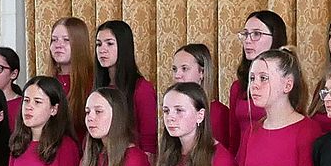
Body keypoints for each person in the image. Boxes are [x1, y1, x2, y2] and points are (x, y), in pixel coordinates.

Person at [94, 19, 158, 154]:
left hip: (131, 160)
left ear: (123, 47)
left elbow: (149, 142)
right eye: (98, 44)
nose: (102, 50)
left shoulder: (141, 88)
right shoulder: (98, 87)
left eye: (109, 43)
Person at [229, 11, 288, 140]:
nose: (247, 40)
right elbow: (233, 137)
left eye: (256, 34)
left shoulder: (286, 83)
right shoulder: (238, 87)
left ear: (275, 38)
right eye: (245, 34)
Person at [171, 42, 235, 152]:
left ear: (202, 72)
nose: (177, 75)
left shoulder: (219, 113)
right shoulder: (172, 110)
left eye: (184, 68)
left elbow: (223, 154)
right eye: (174, 69)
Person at [49, 17, 94, 125]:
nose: (58, 45)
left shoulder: (93, 81)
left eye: (66, 40)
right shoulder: (49, 82)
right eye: (54, 40)